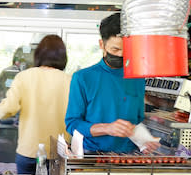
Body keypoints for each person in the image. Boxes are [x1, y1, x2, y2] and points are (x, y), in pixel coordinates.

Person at [65, 12, 157, 154]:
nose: (120, 55)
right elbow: (72, 124)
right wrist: (107, 128)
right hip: (92, 156)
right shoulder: (83, 78)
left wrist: (144, 141)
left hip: (128, 157)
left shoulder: (137, 77)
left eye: (126, 50)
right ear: (102, 44)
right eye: (115, 49)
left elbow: (137, 121)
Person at [0, 34, 71, 175]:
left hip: (29, 150)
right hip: (59, 152)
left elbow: (10, 107)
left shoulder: (24, 77)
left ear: (38, 55)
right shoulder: (70, 80)